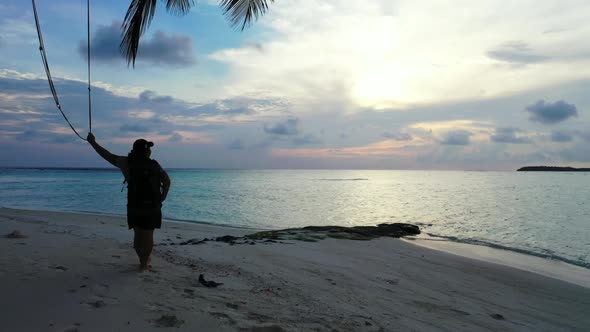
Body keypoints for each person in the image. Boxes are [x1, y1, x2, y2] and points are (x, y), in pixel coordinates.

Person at [87, 133, 171, 271]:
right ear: (146, 151)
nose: (150, 151)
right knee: (148, 235)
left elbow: (107, 155)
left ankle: (141, 261)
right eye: (148, 148)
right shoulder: (155, 165)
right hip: (152, 206)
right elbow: (167, 181)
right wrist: (163, 197)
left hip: (134, 205)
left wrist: (93, 143)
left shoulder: (126, 162)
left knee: (138, 234)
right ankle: (145, 263)